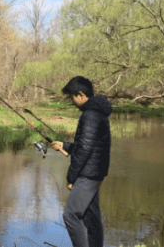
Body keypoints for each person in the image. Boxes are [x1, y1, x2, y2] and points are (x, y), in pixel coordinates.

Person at [50, 76, 112, 247]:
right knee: (92, 218)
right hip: (95, 172)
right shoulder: (97, 112)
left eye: (72, 97)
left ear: (81, 95)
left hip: (88, 174)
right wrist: (65, 145)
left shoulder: (90, 115)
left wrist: (71, 177)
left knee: (70, 215)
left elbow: (85, 149)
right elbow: (87, 144)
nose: (71, 101)